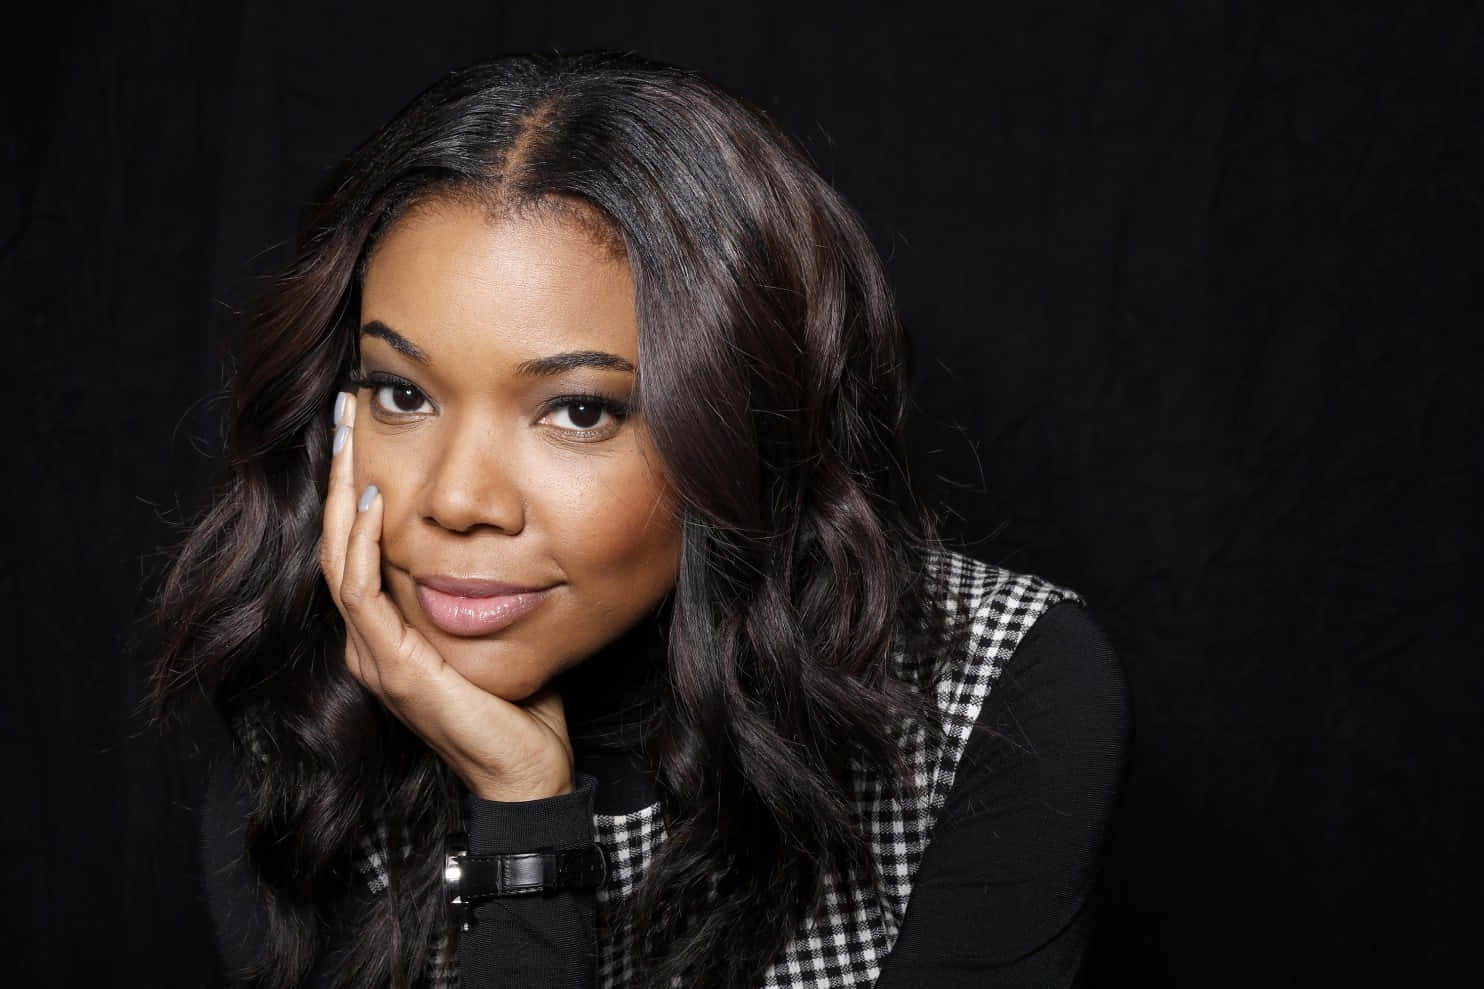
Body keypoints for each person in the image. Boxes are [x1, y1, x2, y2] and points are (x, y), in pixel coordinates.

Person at [154, 51, 1128, 989]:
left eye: (580, 410)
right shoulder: (301, 699)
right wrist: (522, 814)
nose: (455, 500)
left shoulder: (996, 692)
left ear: (743, 424)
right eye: (402, 393)